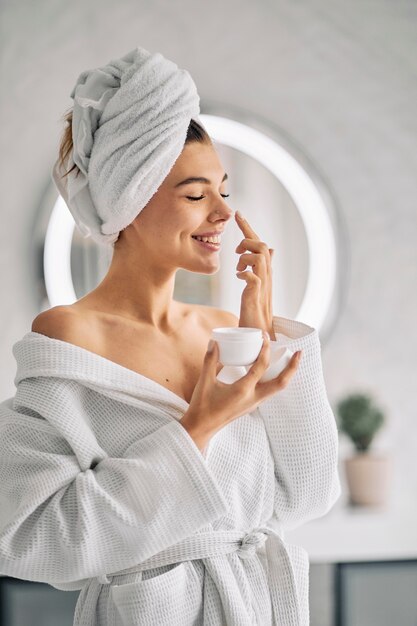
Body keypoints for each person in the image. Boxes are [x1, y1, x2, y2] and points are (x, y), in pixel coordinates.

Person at [0, 47, 341, 626]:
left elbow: (306, 492)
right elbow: (32, 537)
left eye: (223, 190)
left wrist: (262, 331)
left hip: (258, 604)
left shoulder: (224, 334)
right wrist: (197, 428)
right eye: (194, 194)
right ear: (130, 200)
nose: (222, 214)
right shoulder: (69, 337)